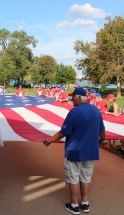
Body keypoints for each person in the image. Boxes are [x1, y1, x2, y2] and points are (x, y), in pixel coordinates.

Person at [41, 87, 105, 215]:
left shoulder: (74, 112)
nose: (71, 99)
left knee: (73, 177)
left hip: (75, 151)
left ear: (79, 97)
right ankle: (85, 204)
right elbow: (102, 131)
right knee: (86, 177)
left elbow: (63, 132)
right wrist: (102, 141)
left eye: (73, 96)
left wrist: (49, 140)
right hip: (91, 151)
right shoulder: (96, 111)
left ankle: (74, 205)